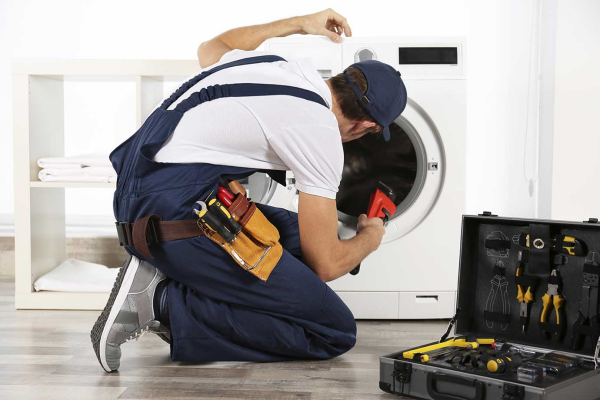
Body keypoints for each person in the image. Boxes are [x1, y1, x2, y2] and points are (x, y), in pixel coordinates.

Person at [91, 8, 407, 372]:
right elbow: (327, 264)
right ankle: (160, 302)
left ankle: (170, 275)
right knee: (333, 330)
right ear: (365, 126)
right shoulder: (319, 132)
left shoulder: (278, 66)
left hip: (147, 192)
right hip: (169, 215)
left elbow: (213, 47)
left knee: (294, 236)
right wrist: (370, 237)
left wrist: (298, 24)